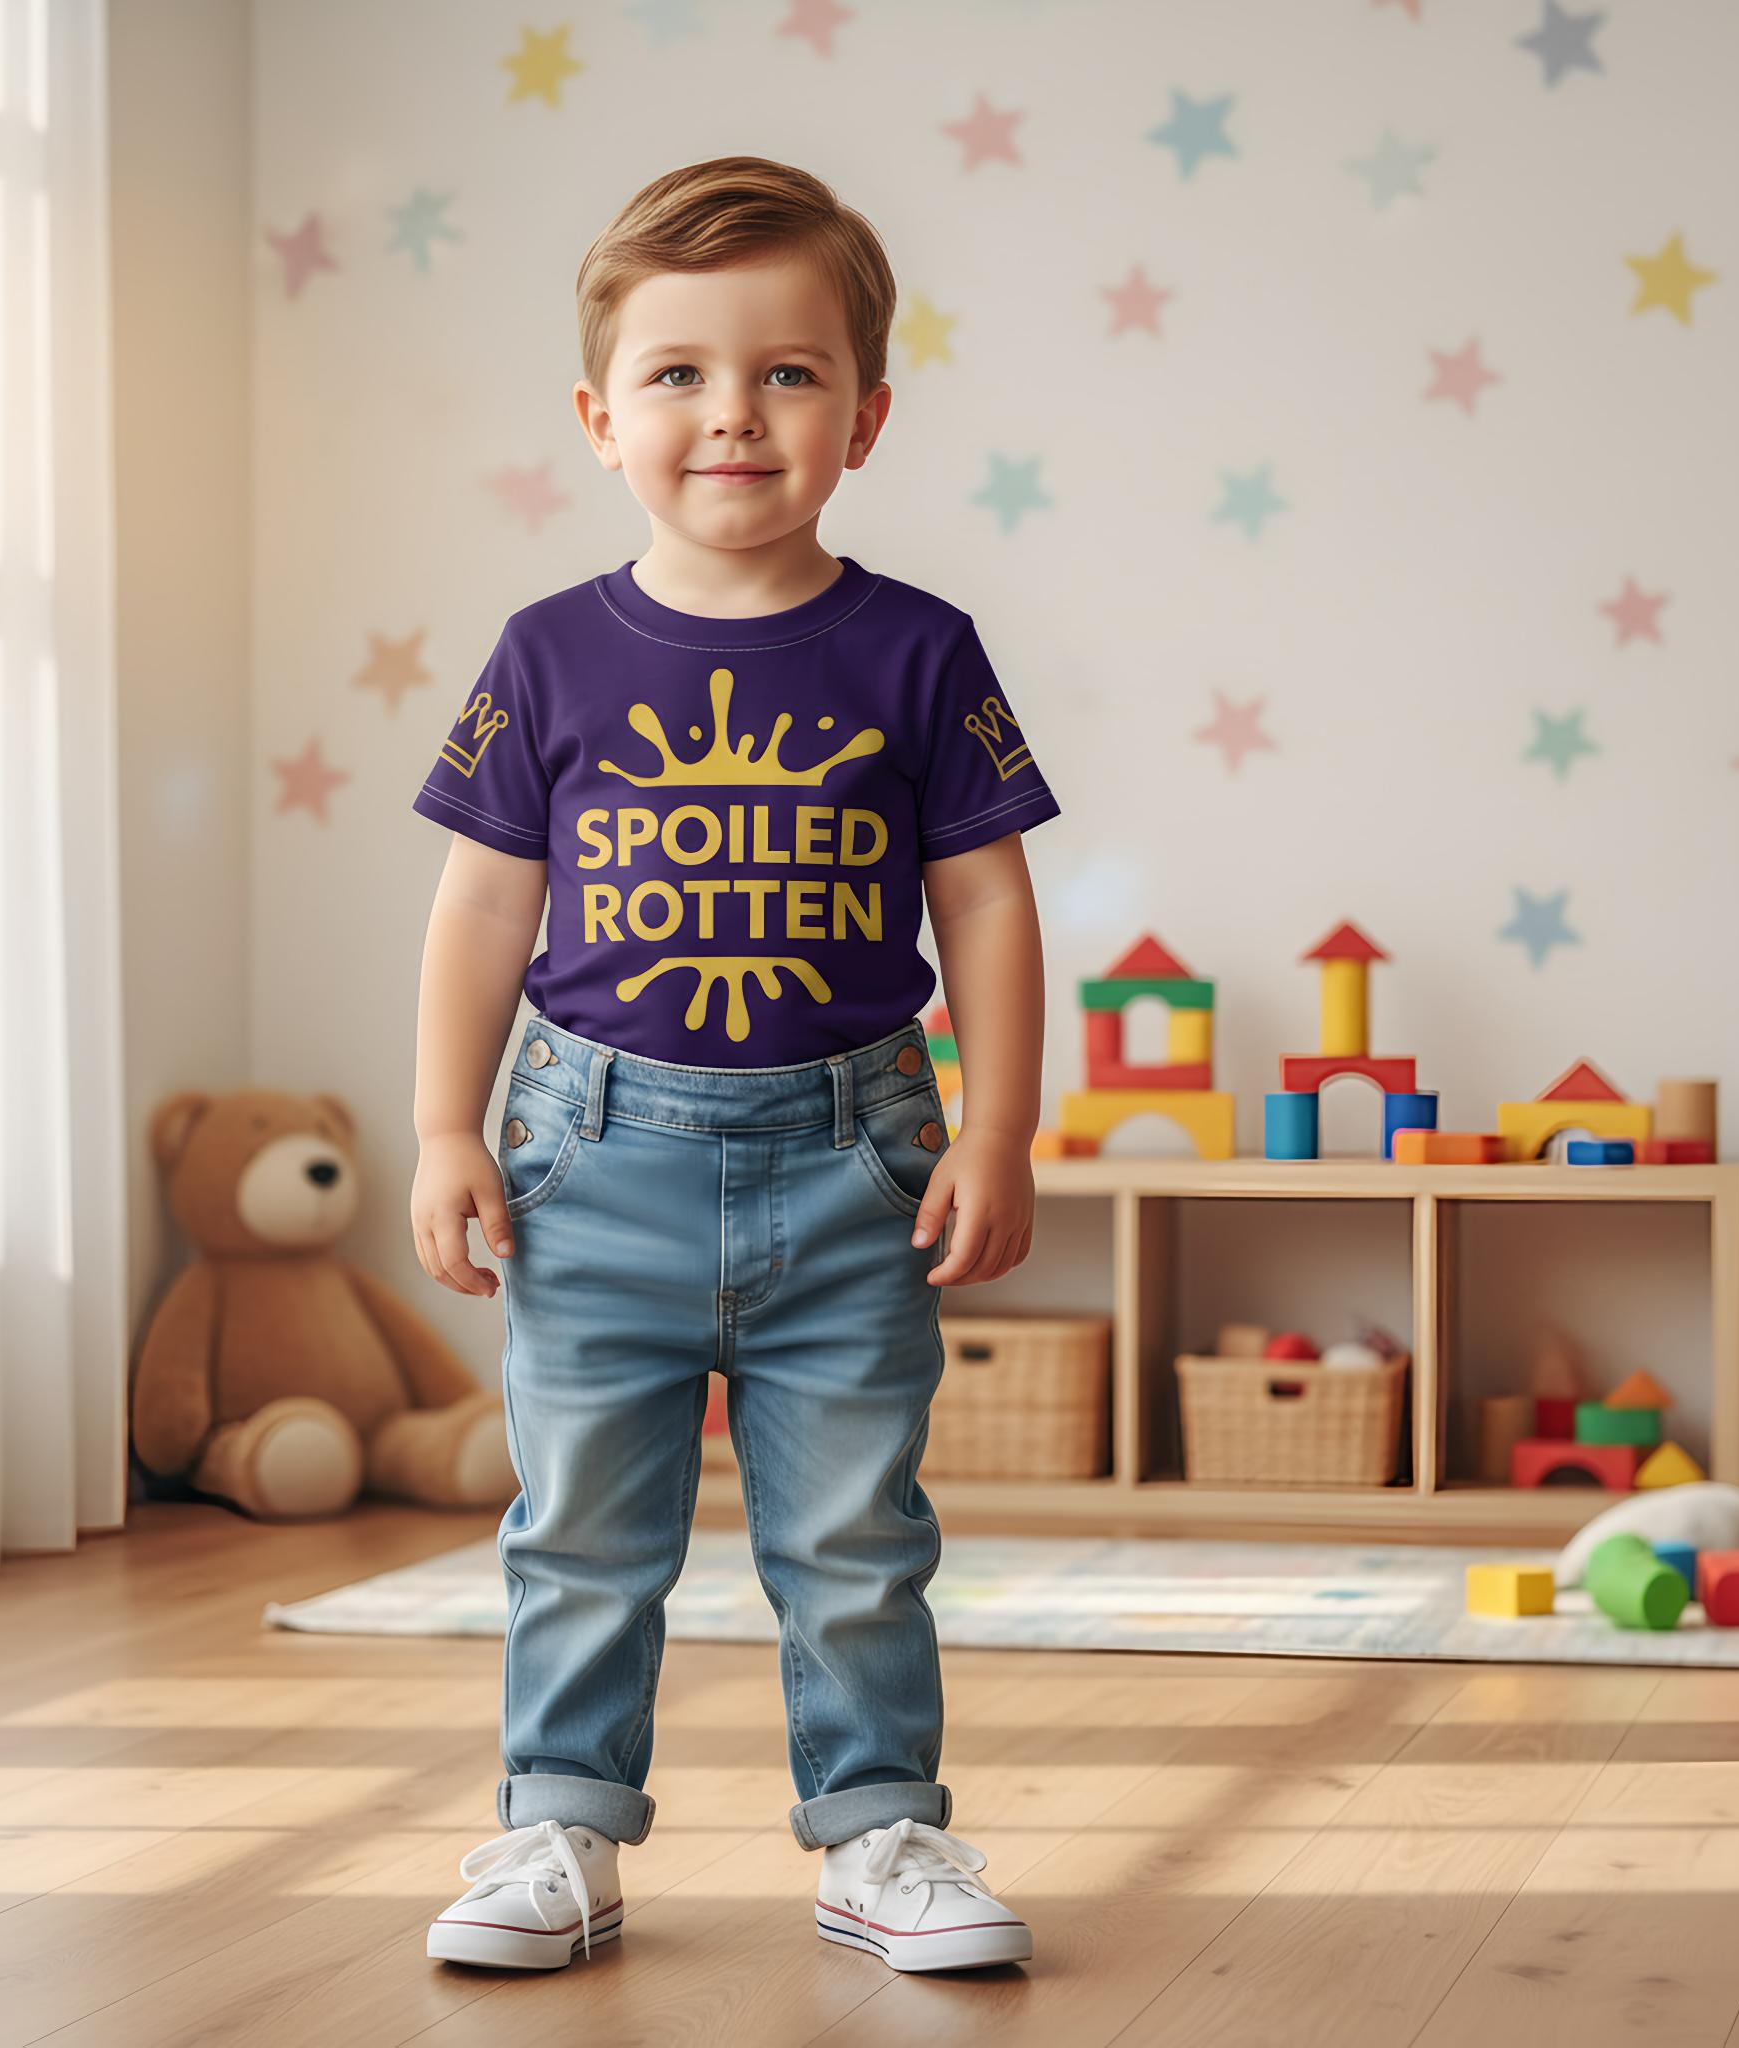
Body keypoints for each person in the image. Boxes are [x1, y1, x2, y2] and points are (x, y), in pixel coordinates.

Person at [409, 155, 1060, 1976]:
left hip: (852, 1158)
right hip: (587, 1157)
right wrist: (443, 1126)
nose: (734, 415)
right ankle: (558, 1828)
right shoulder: (548, 654)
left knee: (855, 1531)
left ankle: (881, 1832)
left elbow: (986, 903)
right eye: (681, 373)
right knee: (580, 1531)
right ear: (599, 415)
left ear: (865, 415)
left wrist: (999, 1128)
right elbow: (483, 906)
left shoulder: (919, 649)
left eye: (788, 373)